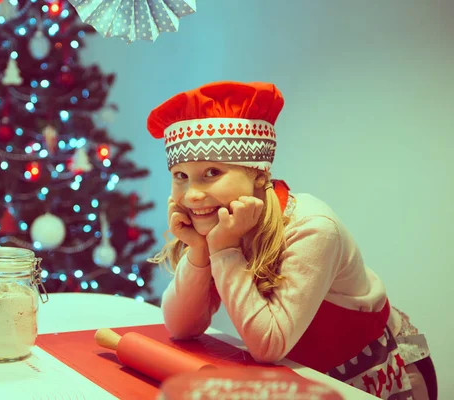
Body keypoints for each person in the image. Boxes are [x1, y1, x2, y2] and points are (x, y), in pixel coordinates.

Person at [146, 81, 437, 399]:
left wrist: (225, 250)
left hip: (370, 374)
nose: (192, 194)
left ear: (258, 175)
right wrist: (200, 250)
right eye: (180, 176)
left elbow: (268, 345)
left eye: (212, 172)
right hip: (304, 374)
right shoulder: (221, 228)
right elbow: (181, 328)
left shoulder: (313, 228)